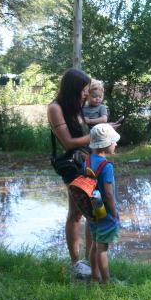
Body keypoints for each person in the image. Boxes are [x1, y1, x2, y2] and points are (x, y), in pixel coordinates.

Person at [47, 69, 93, 278]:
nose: (86, 94)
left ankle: (93, 260)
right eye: (84, 90)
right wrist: (98, 134)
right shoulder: (55, 108)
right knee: (76, 213)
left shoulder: (76, 107)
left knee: (93, 211)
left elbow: (82, 135)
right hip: (72, 166)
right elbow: (68, 142)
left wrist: (103, 129)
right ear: (73, 89)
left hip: (88, 163)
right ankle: (76, 263)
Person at [85, 123, 121, 284]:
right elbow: (108, 194)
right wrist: (114, 213)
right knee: (102, 249)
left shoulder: (86, 160)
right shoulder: (106, 166)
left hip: (92, 211)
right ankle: (106, 281)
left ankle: (95, 274)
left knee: (94, 243)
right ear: (106, 144)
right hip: (104, 213)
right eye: (114, 141)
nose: (116, 144)